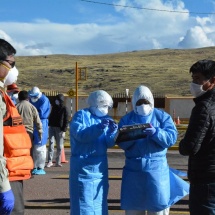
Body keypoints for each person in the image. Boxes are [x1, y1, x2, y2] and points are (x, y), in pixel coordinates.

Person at [118, 85, 189, 215]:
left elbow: (171, 138)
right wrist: (132, 135)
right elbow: (121, 142)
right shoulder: (127, 119)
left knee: (158, 210)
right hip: (134, 172)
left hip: (157, 172)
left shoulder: (162, 117)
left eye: (146, 102)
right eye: (139, 102)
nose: (143, 105)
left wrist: (157, 133)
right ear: (134, 103)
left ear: (152, 101)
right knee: (133, 210)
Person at [69, 90, 118, 215]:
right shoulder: (81, 115)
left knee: (99, 204)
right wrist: (98, 128)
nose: (105, 109)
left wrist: (114, 133)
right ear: (94, 103)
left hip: (100, 169)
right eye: (103, 105)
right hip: (83, 168)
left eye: (107, 106)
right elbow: (81, 135)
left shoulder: (107, 119)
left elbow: (108, 143)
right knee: (83, 205)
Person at [0, 39, 33, 215]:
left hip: (11, 171)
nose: (14, 69)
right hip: (6, 175)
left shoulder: (4, 95)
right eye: (10, 63)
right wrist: (4, 186)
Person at [179, 59, 215, 215]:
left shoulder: (203, 108)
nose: (194, 84)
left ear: (212, 81)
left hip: (205, 179)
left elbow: (190, 147)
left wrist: (181, 144)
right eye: (193, 79)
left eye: (198, 79)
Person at [28, 87, 51, 175]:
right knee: (34, 146)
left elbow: (41, 113)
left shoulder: (44, 100)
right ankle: (35, 165)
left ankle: (40, 166)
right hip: (33, 123)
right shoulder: (31, 99)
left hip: (41, 123)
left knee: (40, 146)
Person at [16, 90, 43, 160]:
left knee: (19, 151)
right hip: (29, 132)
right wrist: (40, 133)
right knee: (29, 151)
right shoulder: (32, 107)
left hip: (18, 132)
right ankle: (29, 168)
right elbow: (38, 122)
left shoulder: (15, 107)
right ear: (28, 98)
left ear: (19, 98)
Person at [46, 94, 69, 168]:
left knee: (59, 146)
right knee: (51, 144)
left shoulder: (64, 108)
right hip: (52, 127)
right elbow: (50, 116)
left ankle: (58, 162)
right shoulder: (53, 108)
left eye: (57, 100)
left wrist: (64, 129)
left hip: (60, 129)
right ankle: (50, 161)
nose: (56, 101)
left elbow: (66, 120)